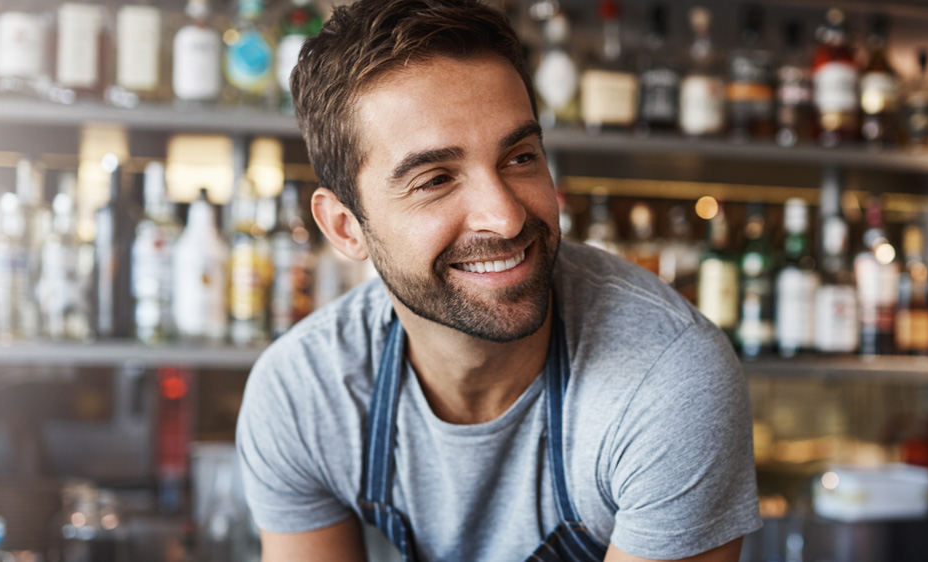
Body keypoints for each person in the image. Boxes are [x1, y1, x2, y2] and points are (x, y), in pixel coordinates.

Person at [235, 1, 760, 560]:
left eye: (519, 157)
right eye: (435, 179)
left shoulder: (668, 378)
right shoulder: (303, 392)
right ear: (346, 227)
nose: (506, 217)